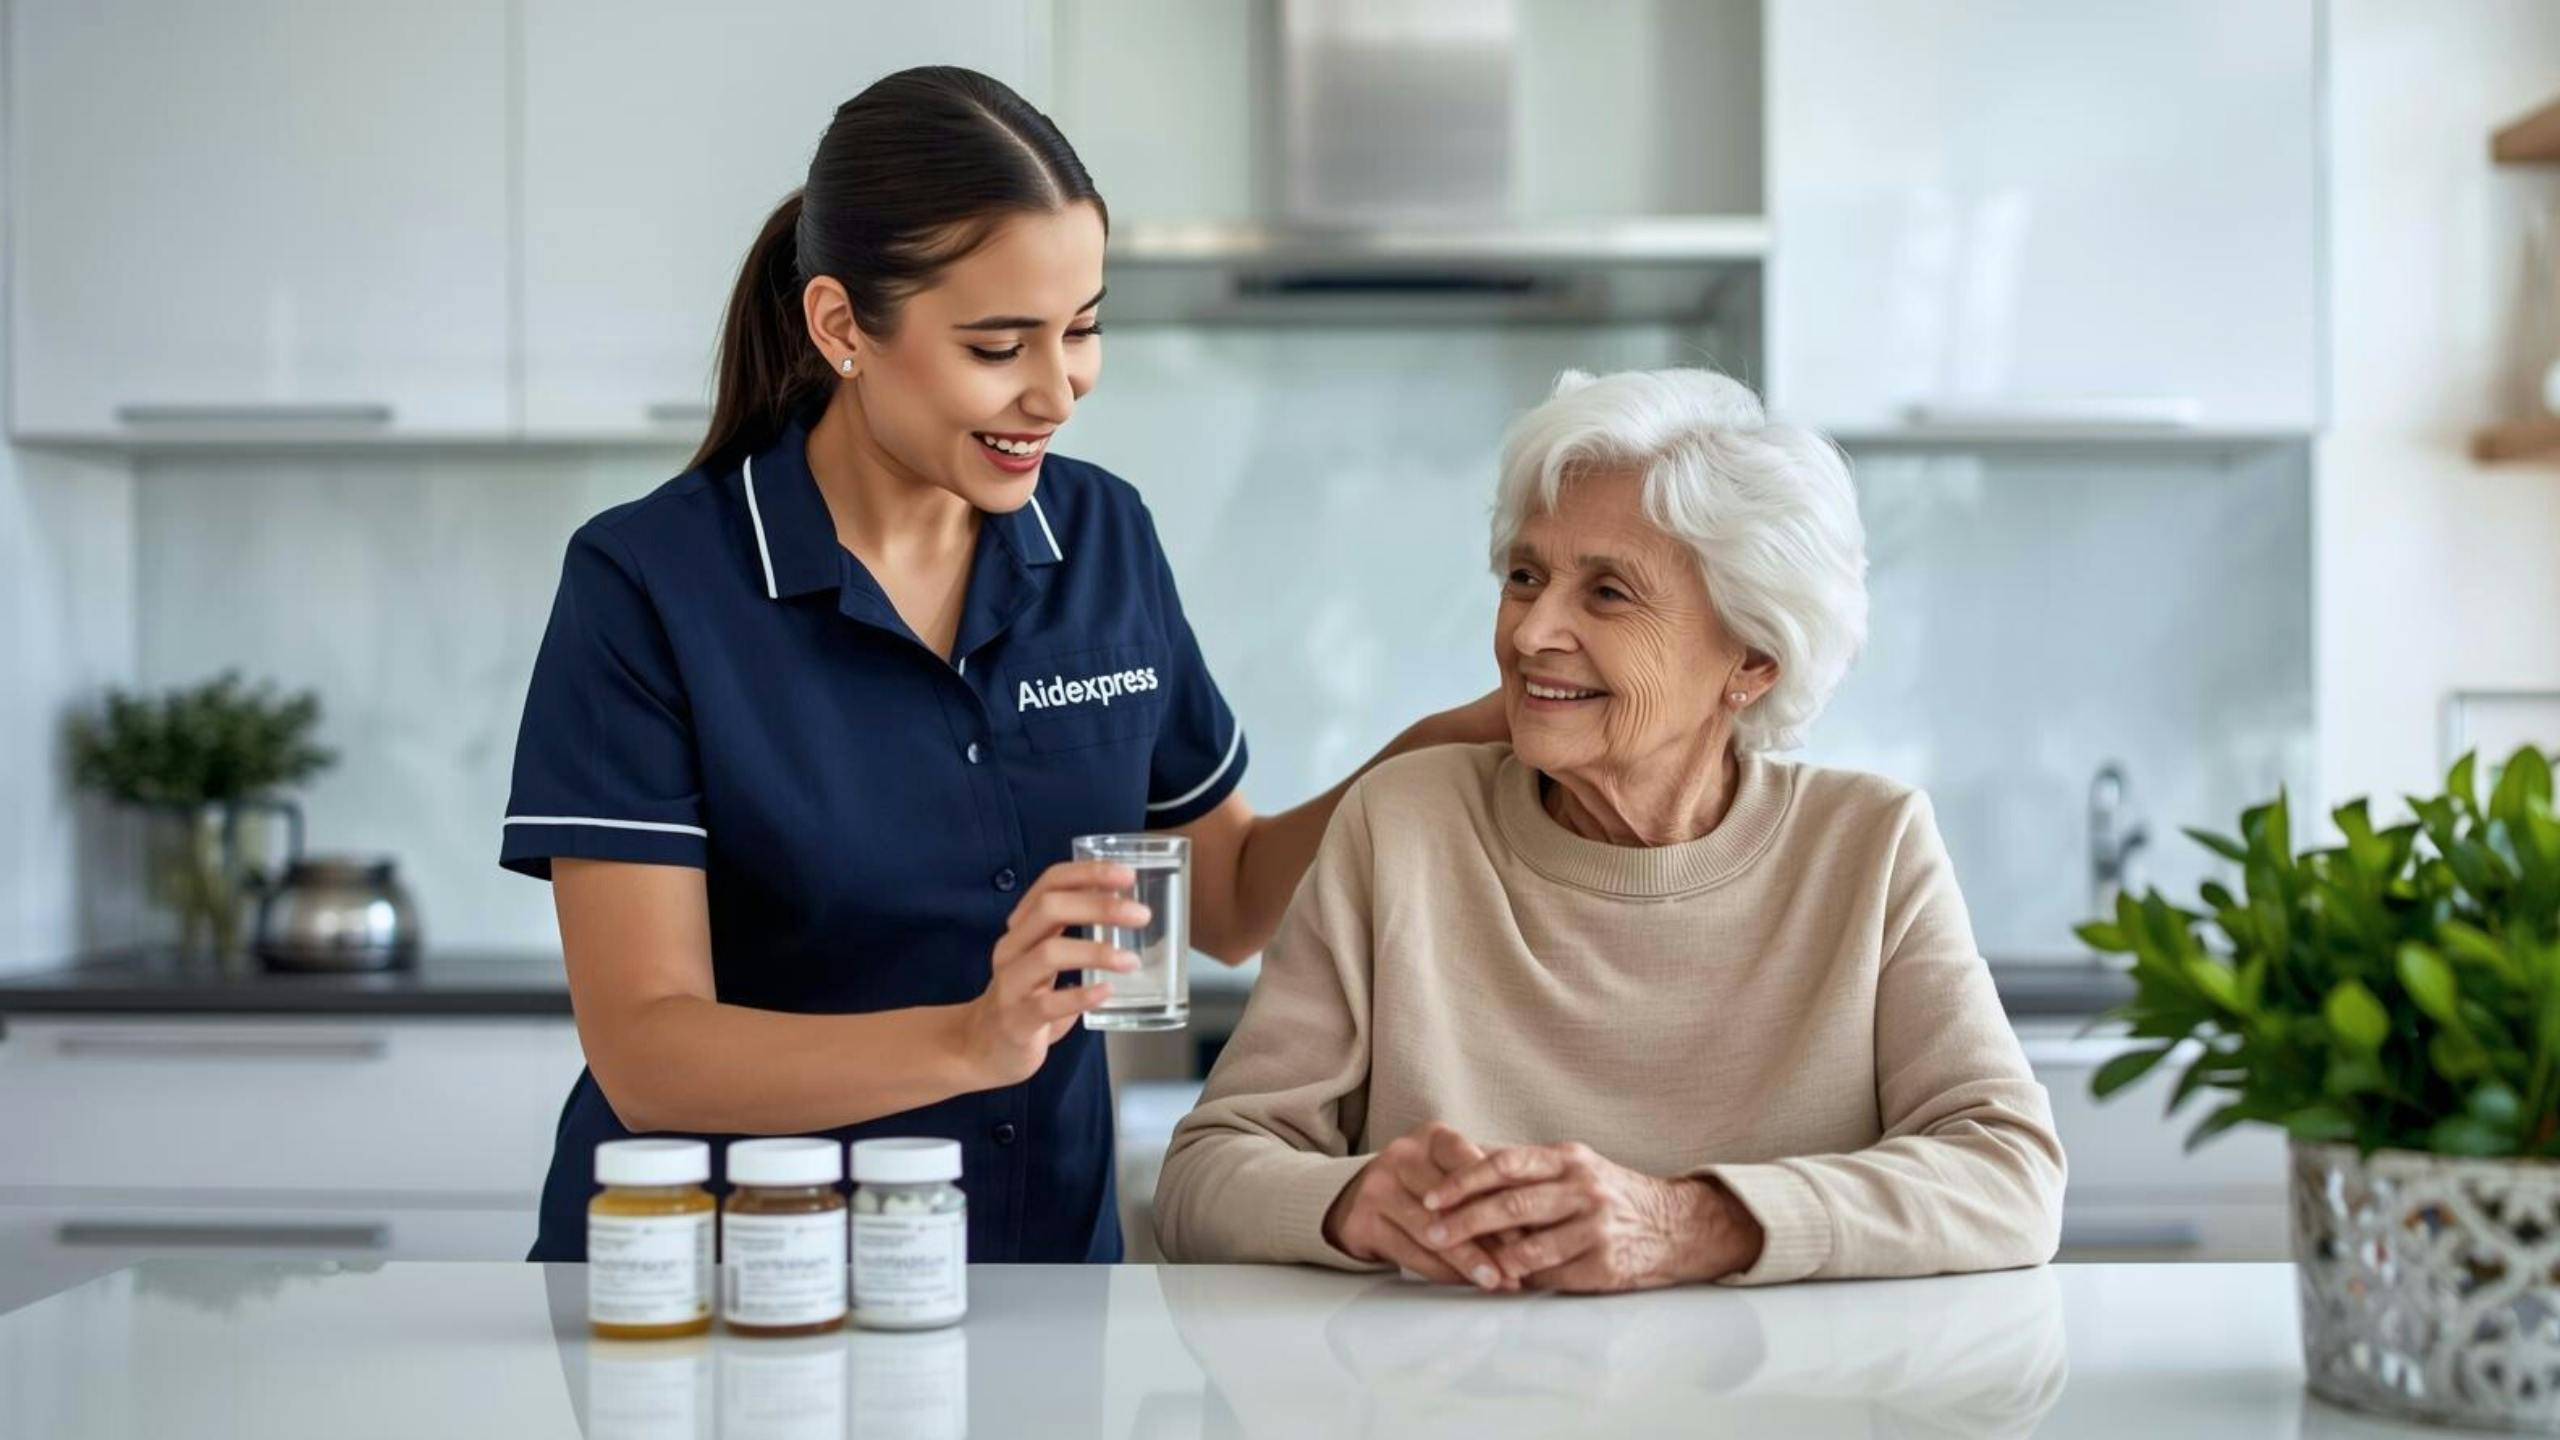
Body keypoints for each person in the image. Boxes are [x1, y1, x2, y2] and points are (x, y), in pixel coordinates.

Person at [499, 66, 1498, 1263]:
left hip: (1039, 1278)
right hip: (732, 1287)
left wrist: (1446, 742)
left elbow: (1228, 897)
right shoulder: (650, 584)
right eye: (996, 345)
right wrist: (972, 1039)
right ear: (840, 327)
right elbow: (650, 1055)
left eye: (1082, 329)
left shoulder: (1102, 536)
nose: (1056, 390)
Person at [1153, 368, 2065, 1291]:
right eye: (1526, 577)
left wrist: (1691, 1223)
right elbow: (1202, 1178)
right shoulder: (1402, 825)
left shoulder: (1870, 847)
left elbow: (2011, 1176)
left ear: (1753, 659)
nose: (1531, 633)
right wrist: (1352, 1203)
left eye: (1609, 593)